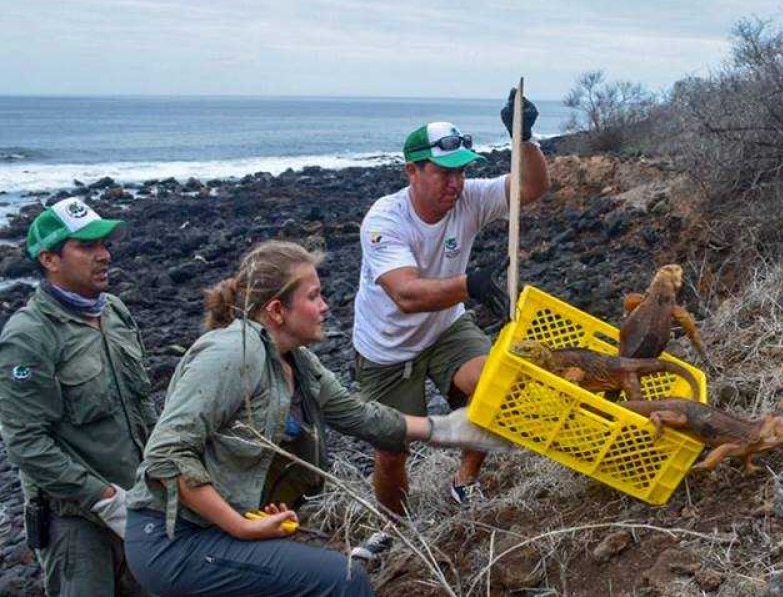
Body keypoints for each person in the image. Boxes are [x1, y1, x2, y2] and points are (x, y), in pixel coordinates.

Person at [122, 240, 506, 597]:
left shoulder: (297, 360)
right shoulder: (231, 354)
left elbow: (357, 415)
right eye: (313, 296)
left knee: (322, 562)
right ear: (276, 311)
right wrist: (240, 525)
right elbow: (167, 454)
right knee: (343, 580)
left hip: (212, 529)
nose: (325, 306)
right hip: (174, 539)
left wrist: (450, 428)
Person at [353, 90, 549, 512]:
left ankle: (464, 481)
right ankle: (396, 527)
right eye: (444, 172)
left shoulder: (469, 198)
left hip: (446, 329)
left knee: (495, 392)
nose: (455, 183)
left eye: (461, 171)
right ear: (412, 171)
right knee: (392, 452)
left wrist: (526, 138)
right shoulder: (385, 220)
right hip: (386, 350)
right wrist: (471, 285)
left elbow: (532, 186)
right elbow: (405, 294)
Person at [0, 197, 155, 596]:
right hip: (76, 522)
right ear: (50, 259)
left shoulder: (115, 312)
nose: (103, 255)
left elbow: (142, 406)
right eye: (87, 247)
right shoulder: (29, 336)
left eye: (105, 244)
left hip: (138, 504)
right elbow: (26, 444)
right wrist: (103, 498)